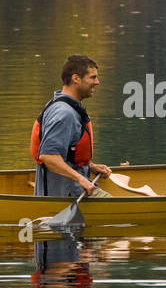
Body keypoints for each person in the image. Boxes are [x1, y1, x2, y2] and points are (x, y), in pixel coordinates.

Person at [32, 54, 112, 199]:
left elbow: (68, 152)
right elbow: (48, 156)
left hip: (75, 192)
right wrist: (81, 178)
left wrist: (91, 166)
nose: (97, 82)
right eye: (92, 77)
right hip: (65, 196)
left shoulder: (67, 106)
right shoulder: (64, 114)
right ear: (76, 78)